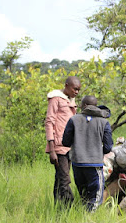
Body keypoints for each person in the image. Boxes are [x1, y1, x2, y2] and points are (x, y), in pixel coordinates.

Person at [62, 95, 113, 212]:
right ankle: (89, 217)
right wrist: (98, 151)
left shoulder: (73, 119)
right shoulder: (104, 122)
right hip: (94, 164)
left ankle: (83, 214)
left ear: (84, 105)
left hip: (77, 163)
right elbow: (108, 147)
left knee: (83, 193)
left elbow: (65, 142)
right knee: (96, 196)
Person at [45, 76, 81, 205]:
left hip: (69, 146)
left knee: (60, 179)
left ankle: (57, 207)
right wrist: (52, 149)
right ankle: (70, 206)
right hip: (59, 147)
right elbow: (49, 122)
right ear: (66, 85)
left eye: (78, 90)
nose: (76, 92)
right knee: (65, 179)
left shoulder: (70, 100)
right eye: (74, 89)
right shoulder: (56, 99)